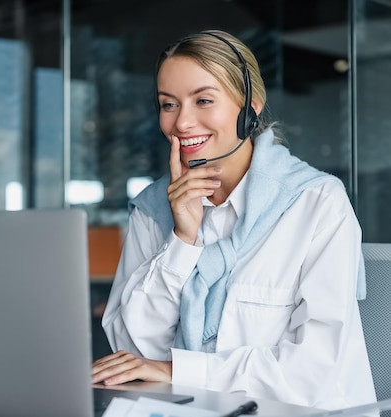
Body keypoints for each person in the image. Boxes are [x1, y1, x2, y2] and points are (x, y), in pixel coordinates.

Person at [91, 29, 377, 410]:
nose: (182, 123)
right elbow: (132, 356)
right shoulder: (153, 208)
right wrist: (182, 239)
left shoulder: (316, 203)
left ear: (251, 107)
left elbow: (313, 371)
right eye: (168, 104)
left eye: (203, 100)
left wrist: (179, 370)